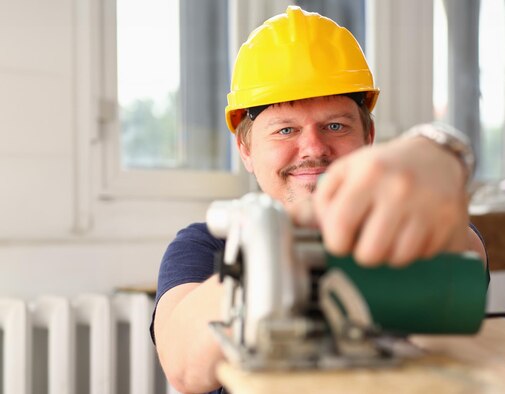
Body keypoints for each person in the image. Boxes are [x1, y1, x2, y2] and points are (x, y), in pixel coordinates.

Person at [152, 6, 488, 394]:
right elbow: (183, 366)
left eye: (335, 125)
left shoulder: (400, 226)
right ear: (245, 148)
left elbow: (469, 265)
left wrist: (440, 152)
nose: (313, 148)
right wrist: (276, 252)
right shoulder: (204, 245)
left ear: (368, 136)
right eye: (285, 130)